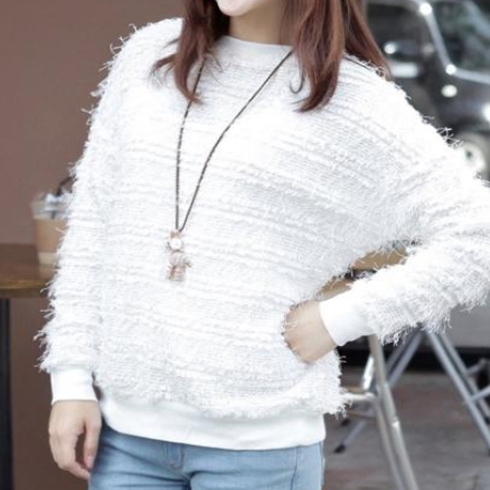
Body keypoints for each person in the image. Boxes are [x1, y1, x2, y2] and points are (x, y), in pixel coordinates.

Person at [34, 0, 490, 489]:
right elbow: (93, 225)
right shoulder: (149, 55)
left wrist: (337, 319)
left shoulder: (351, 97)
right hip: (125, 440)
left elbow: (477, 236)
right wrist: (71, 381)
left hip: (259, 451)